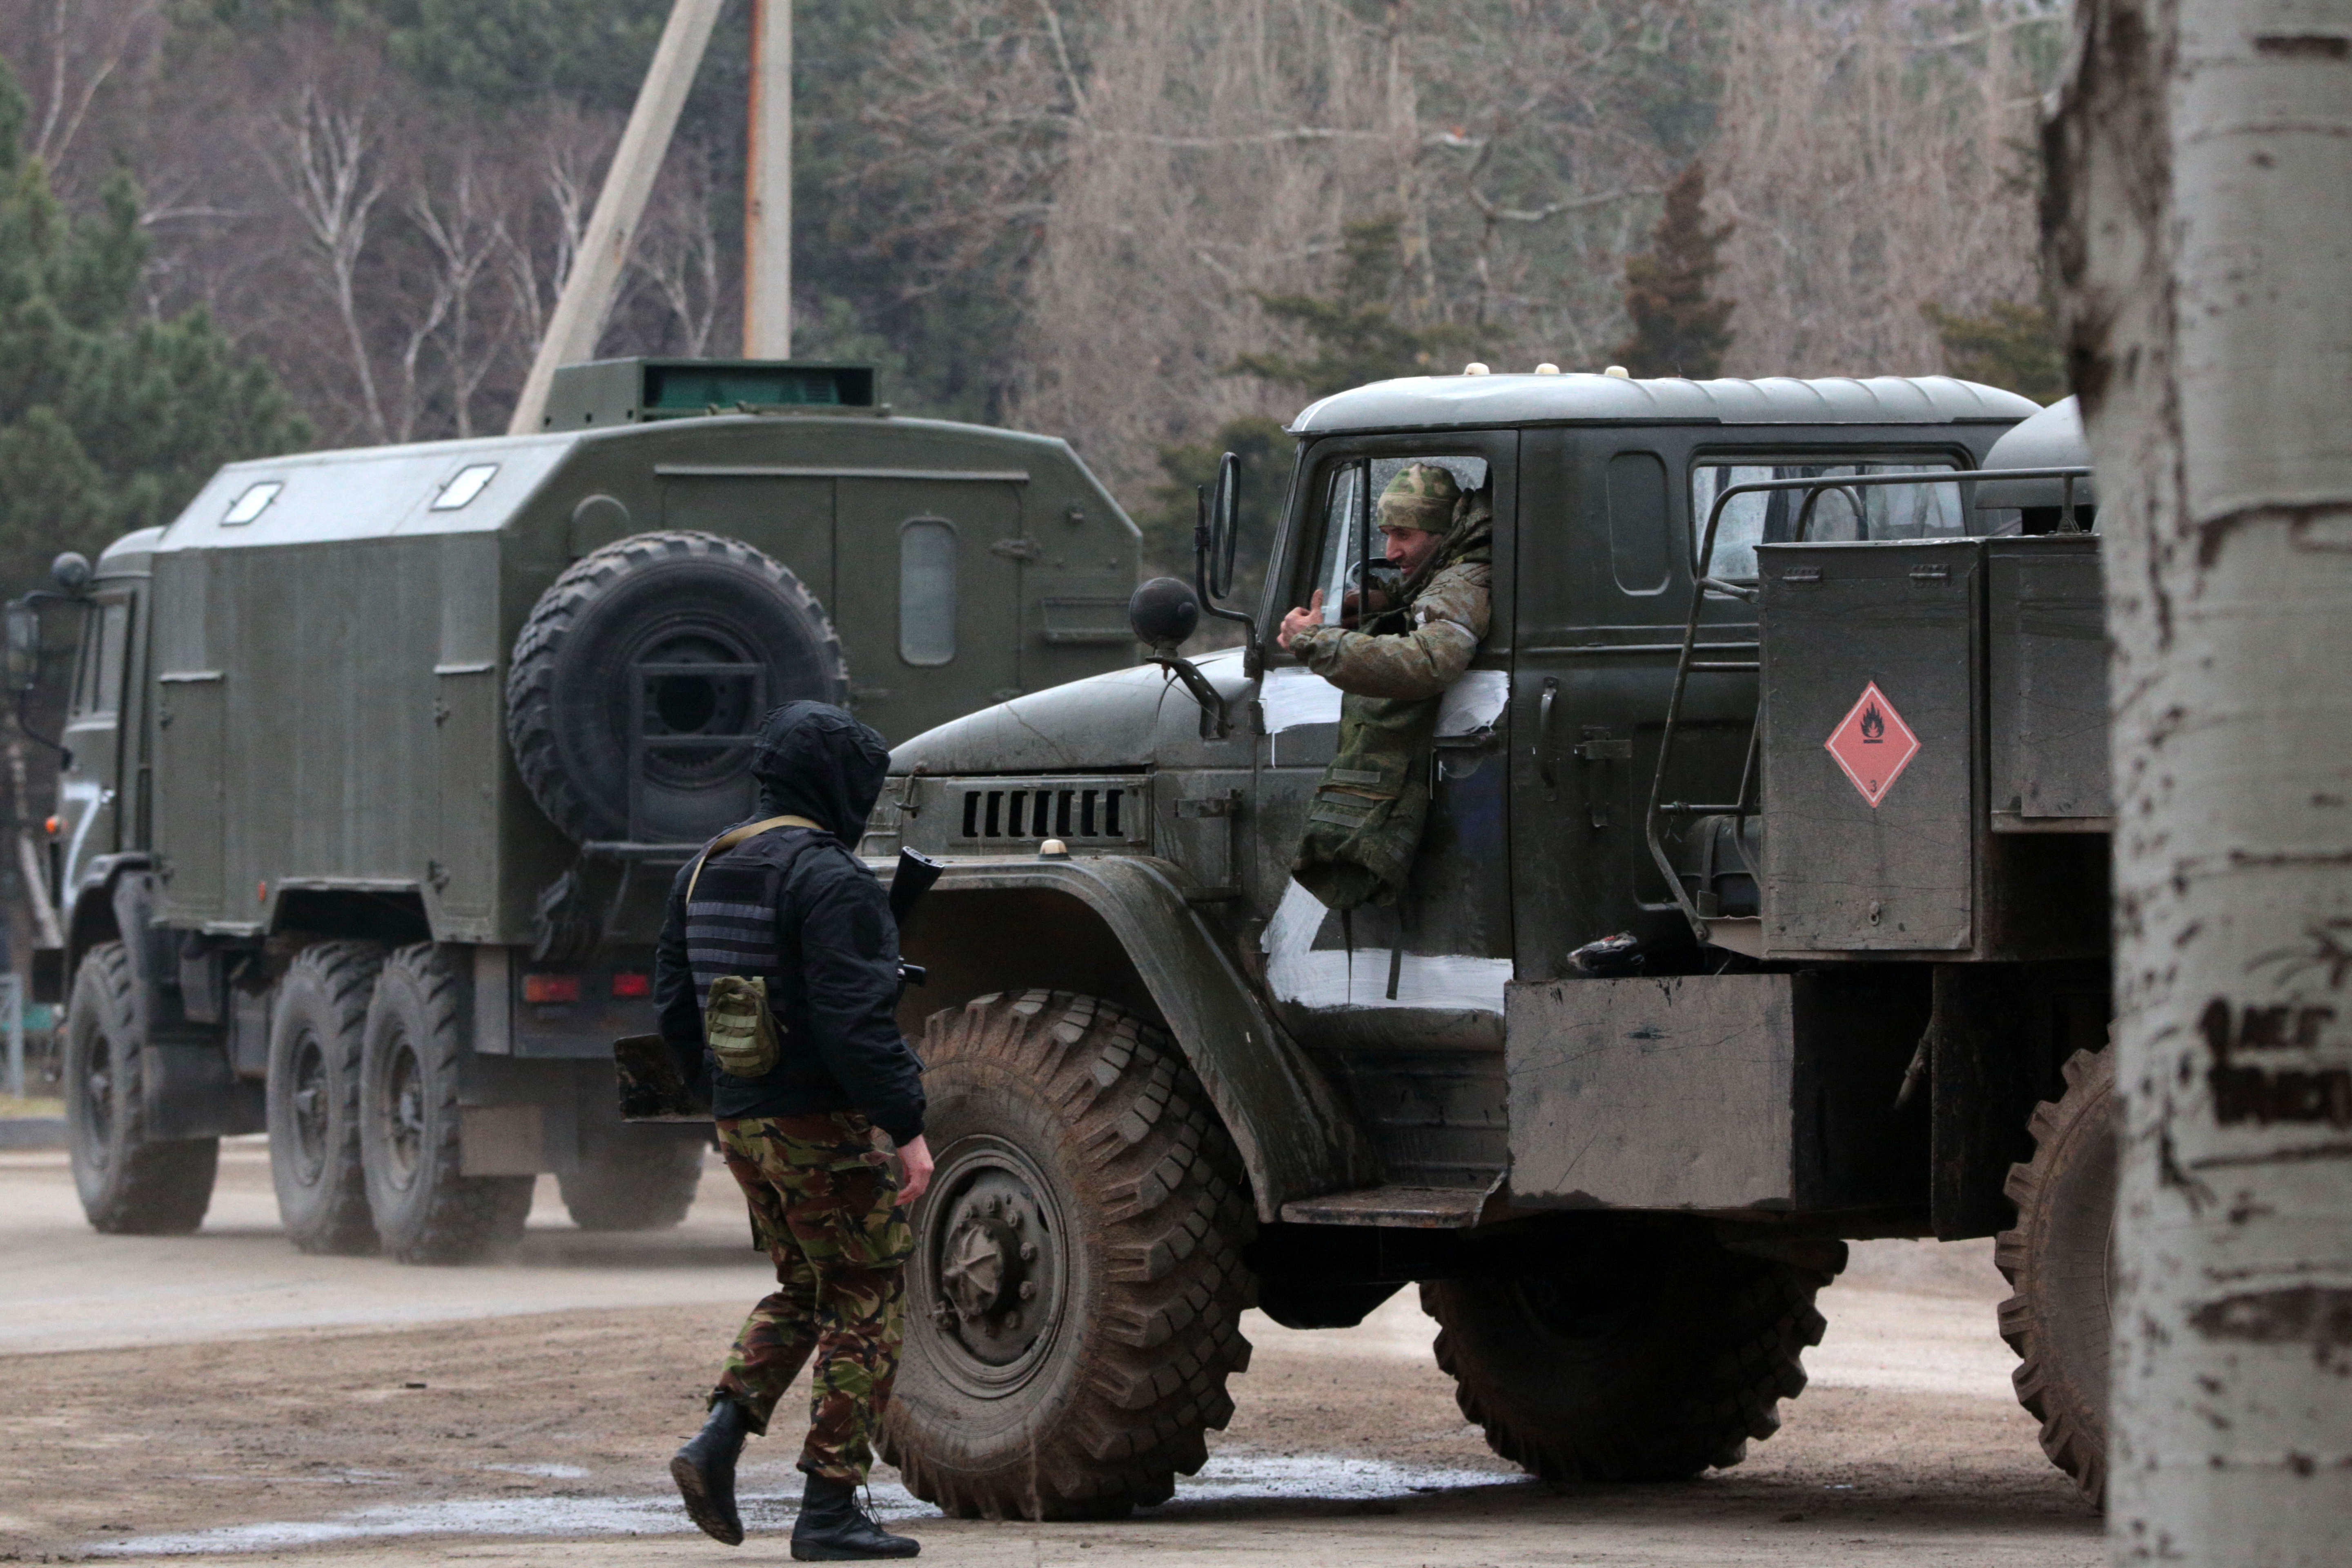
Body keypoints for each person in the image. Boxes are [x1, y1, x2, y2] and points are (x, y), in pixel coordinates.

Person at [656, 700, 932, 1562]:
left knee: (806, 1290)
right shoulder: (830, 878)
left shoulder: (706, 867)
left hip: (745, 1122)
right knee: (867, 1295)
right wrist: (908, 1128)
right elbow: (858, 1028)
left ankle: (718, 1440)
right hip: (820, 1121)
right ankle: (829, 1511)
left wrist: (731, 1096)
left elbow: (672, 1009)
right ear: (835, 782)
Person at [1275, 461, 1493, 911]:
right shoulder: (1451, 569)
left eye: (1404, 535)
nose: (1391, 552)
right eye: (1387, 535)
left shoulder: (1466, 579)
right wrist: (1379, 603)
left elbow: (1429, 661)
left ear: (1440, 532)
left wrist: (1316, 643)